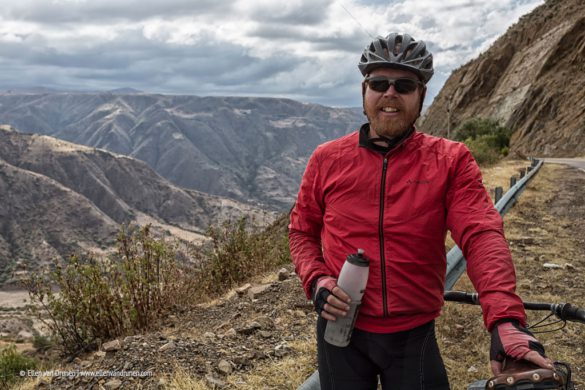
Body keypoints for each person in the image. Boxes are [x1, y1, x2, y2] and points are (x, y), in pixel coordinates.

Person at [288, 33, 552, 390]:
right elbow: (302, 230)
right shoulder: (327, 159)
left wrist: (506, 319)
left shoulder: (450, 160)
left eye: (404, 85)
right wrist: (316, 279)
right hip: (339, 332)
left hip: (412, 336)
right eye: (379, 83)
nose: (390, 93)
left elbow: (481, 235)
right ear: (365, 91)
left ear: (421, 96)